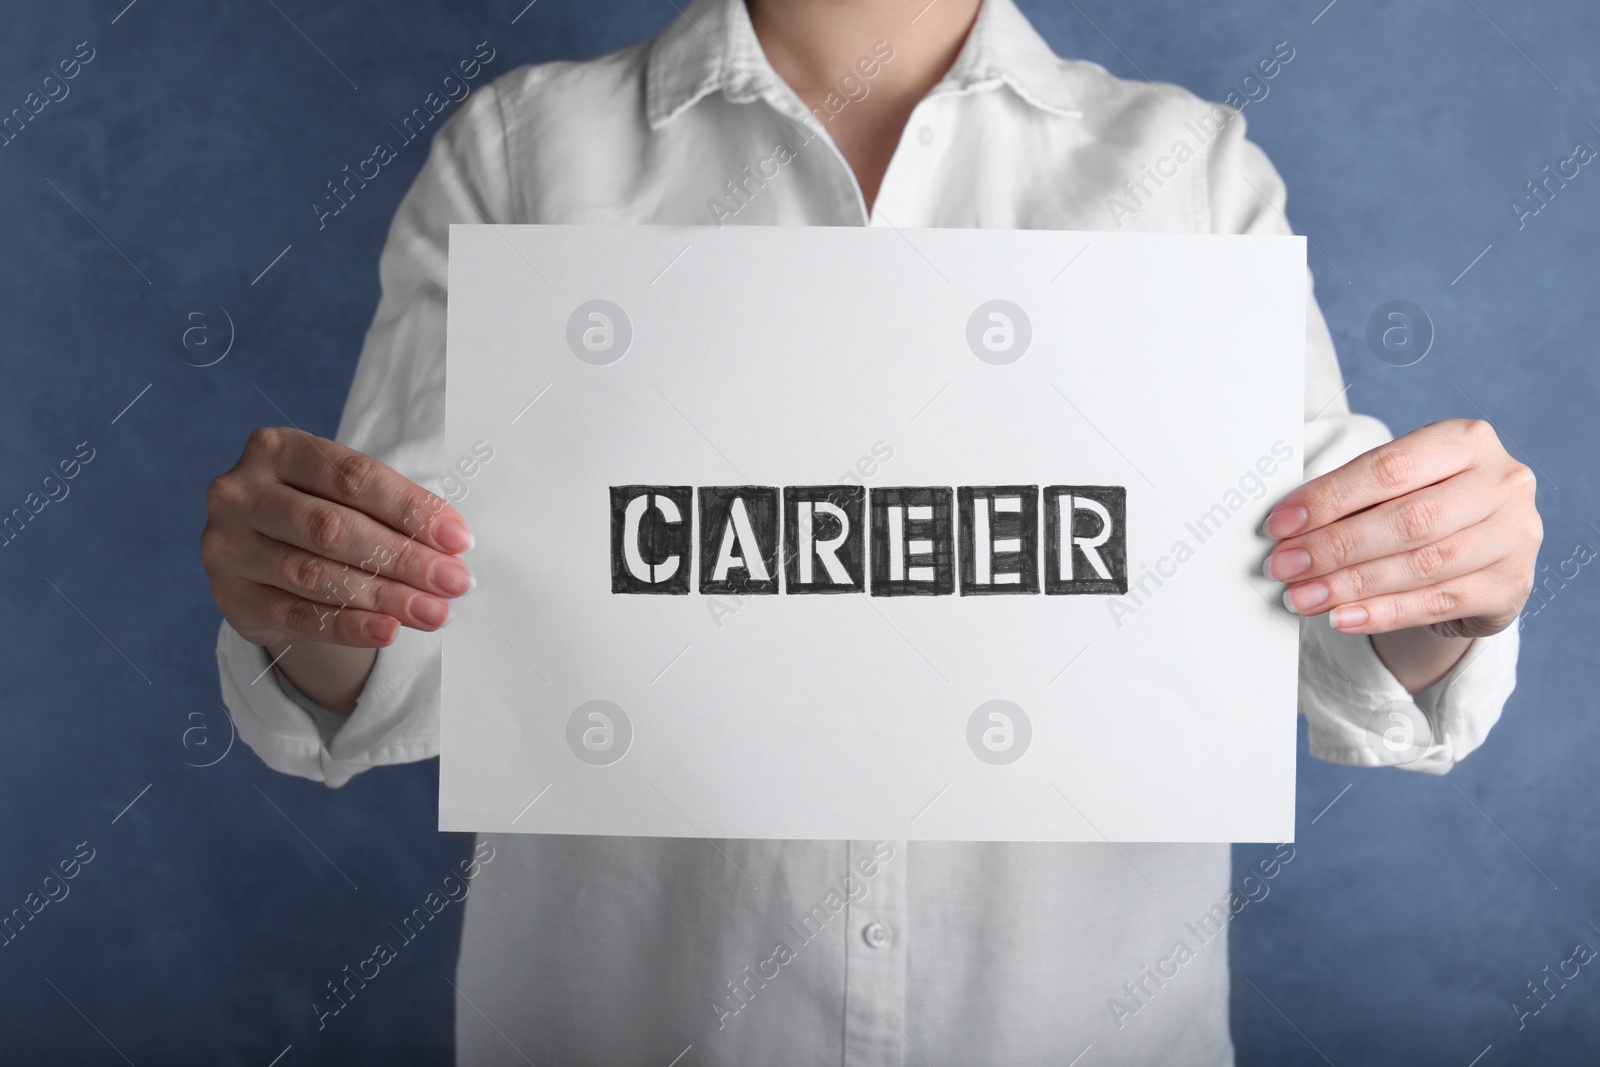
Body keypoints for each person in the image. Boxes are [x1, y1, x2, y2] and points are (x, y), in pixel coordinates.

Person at [201, 0, 1541, 1062]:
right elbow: (401, 664)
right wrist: (306, 593)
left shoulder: (1186, 170)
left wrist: (1438, 579)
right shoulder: (520, 156)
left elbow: (1328, 653)